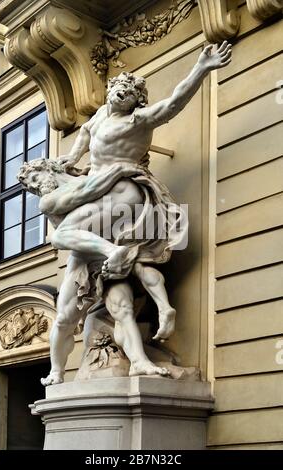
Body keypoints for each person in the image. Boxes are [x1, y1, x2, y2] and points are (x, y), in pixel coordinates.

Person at [18, 41, 232, 385]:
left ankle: (124, 277)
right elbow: (85, 132)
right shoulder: (101, 115)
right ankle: (61, 371)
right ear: (110, 94)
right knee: (76, 312)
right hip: (100, 209)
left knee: (62, 241)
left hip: (120, 193)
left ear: (137, 101)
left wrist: (201, 68)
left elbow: (173, 102)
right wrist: (73, 158)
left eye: (128, 93)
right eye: (117, 89)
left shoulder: (138, 120)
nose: (120, 95)